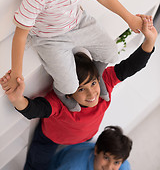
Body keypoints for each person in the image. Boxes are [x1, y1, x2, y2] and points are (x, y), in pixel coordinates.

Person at [2, 0, 150, 111]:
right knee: (69, 86)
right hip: (50, 38)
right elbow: (20, 35)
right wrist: (17, 73)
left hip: (79, 23)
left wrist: (130, 18)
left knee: (111, 53)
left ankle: (98, 77)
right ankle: (62, 92)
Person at [0, 16, 157, 170]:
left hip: (84, 137)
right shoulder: (60, 104)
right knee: (36, 166)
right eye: (81, 89)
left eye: (93, 83)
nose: (91, 94)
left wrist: (150, 40)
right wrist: (16, 98)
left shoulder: (104, 83)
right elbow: (34, 109)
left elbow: (131, 66)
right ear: (69, 93)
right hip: (50, 138)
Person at [48, 126, 132, 170]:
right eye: (106, 158)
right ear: (96, 151)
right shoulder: (73, 166)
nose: (109, 167)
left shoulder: (123, 165)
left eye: (116, 162)